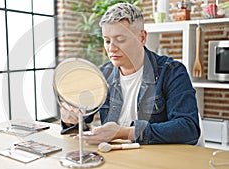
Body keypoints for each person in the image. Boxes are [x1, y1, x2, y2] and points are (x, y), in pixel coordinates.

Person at [60, 2, 200, 145]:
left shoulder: (172, 71)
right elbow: (81, 121)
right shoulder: (102, 74)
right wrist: (69, 118)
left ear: (142, 38)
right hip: (117, 158)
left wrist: (124, 132)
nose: (111, 48)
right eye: (107, 41)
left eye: (120, 40)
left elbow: (188, 128)